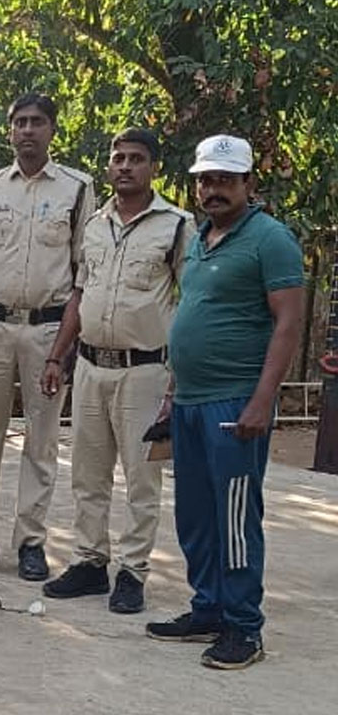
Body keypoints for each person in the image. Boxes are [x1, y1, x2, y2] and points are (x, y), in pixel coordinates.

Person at [145, 134, 303, 670]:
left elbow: (287, 325)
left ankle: (243, 627)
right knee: (194, 515)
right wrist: (171, 394)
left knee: (234, 517)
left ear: (248, 184)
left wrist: (263, 402)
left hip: (234, 402)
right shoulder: (201, 237)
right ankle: (208, 608)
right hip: (189, 400)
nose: (212, 189)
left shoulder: (270, 239)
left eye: (224, 180)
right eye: (205, 180)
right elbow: (193, 313)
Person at [38, 128, 193, 613]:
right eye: (118, 157)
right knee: (88, 473)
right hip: (89, 365)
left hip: (144, 370)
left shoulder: (177, 226)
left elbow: (190, 302)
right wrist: (56, 356)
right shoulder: (95, 224)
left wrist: (179, 377)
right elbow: (79, 294)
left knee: (142, 478)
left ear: (153, 168)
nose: (125, 166)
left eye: (136, 159)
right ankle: (89, 562)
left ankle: (133, 571)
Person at [0, 93, 95, 580]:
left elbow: (83, 272)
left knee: (41, 439)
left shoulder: (78, 189)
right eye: (20, 122)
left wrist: (67, 344)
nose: (28, 130)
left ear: (52, 130)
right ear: (9, 131)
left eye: (37, 122)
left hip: (48, 330)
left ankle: (31, 541)